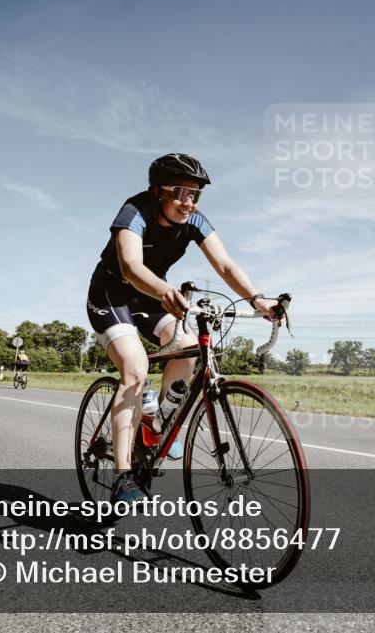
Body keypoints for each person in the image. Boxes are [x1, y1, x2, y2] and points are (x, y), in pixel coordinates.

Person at [86, 153, 279, 506]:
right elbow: (130, 266)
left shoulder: (195, 221)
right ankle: (123, 476)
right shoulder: (135, 211)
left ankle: (154, 424)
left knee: (188, 348)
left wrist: (257, 299)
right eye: (179, 192)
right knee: (135, 367)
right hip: (111, 295)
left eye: (194, 194)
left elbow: (224, 264)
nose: (188, 202)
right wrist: (164, 291)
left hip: (151, 299)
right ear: (157, 191)